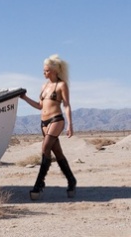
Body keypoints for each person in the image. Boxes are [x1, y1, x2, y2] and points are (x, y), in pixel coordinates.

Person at [20, 54, 77, 199]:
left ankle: (39, 184)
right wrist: (25, 98)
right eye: (43, 70)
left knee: (45, 148)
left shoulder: (61, 85)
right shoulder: (44, 86)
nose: (44, 73)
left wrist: (70, 124)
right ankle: (71, 179)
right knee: (57, 152)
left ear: (54, 71)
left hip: (56, 120)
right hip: (43, 123)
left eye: (46, 70)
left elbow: (66, 105)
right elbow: (39, 106)